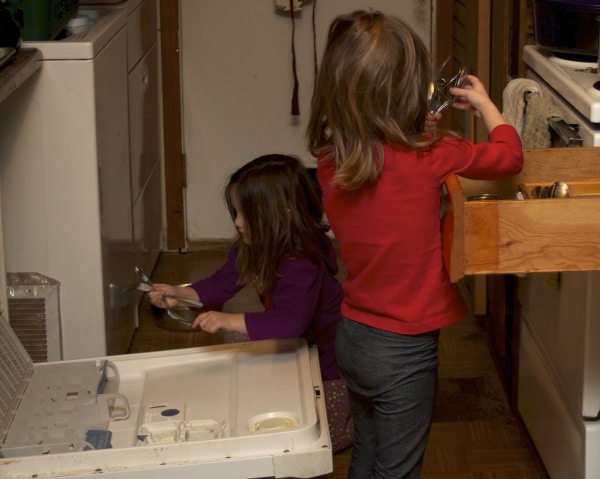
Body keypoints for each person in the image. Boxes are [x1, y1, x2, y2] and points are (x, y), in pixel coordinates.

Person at [306, 10, 523, 479]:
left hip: (353, 337)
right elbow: (510, 156)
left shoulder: (331, 160)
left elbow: (384, 156)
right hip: (404, 351)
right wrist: (487, 106)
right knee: (398, 471)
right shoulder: (434, 155)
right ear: (406, 90)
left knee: (367, 450)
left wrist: (413, 128)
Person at [147, 154, 353, 453]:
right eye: (235, 212)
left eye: (245, 213)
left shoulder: (301, 263)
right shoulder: (252, 245)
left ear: (280, 215)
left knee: (317, 443)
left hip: (328, 365)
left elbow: (290, 321)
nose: (237, 222)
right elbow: (220, 284)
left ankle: (360, 416)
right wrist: (177, 293)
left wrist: (230, 320)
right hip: (293, 352)